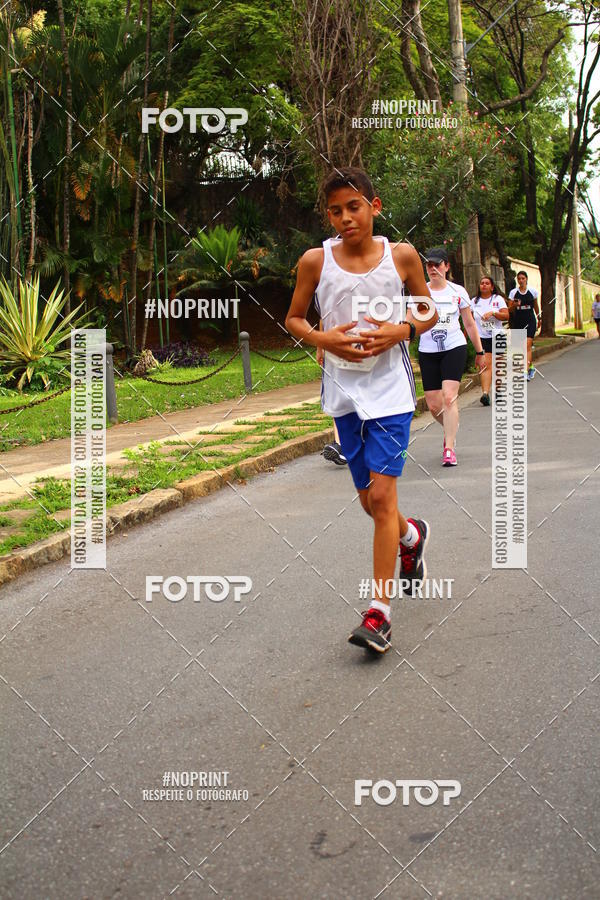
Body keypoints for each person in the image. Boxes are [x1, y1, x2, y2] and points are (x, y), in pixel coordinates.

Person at [285, 166, 438, 653]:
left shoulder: (402, 257)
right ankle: (411, 538)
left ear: (374, 206)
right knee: (370, 505)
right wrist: (324, 338)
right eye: (336, 210)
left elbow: (428, 309)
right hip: (344, 396)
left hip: (392, 394)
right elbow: (293, 318)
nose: (346, 218)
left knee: (383, 501)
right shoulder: (315, 260)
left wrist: (402, 331)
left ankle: (379, 614)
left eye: (355, 207)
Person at [417, 248, 486, 466]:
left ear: (446, 266)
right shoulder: (419, 292)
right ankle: (451, 426)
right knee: (434, 405)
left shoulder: (458, 292)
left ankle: (449, 447)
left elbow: (469, 324)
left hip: (454, 347)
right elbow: (410, 323)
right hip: (428, 351)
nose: (433, 269)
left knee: (449, 398)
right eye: (429, 265)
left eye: (437, 264)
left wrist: (480, 352)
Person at [471, 275, 509, 406]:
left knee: (498, 365)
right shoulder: (474, 301)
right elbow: (469, 320)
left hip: (497, 335)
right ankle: (485, 394)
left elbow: (506, 316)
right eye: (482, 283)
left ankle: (499, 391)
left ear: (492, 287)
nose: (484, 285)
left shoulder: (498, 299)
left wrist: (493, 313)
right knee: (485, 364)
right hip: (482, 337)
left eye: (487, 283)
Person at [508, 270, 540, 380]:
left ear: (526, 279)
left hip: (530, 320)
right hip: (518, 321)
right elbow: (509, 309)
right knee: (521, 347)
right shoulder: (513, 293)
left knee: (527, 345)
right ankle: (530, 366)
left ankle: (525, 372)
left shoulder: (532, 291)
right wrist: (515, 305)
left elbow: (536, 306)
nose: (521, 280)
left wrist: (539, 318)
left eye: (523, 278)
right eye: (519, 279)